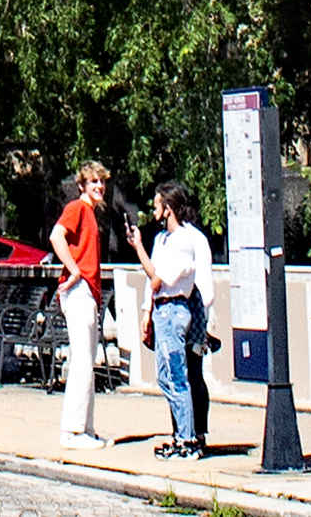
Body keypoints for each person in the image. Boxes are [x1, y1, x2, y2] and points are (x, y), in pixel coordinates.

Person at [127, 180, 214, 459]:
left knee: (181, 377)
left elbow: (158, 279)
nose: (153, 210)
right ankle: (181, 435)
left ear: (169, 208)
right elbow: (153, 283)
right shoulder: (162, 239)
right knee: (167, 377)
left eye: (157, 205)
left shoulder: (187, 240)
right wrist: (147, 312)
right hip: (162, 311)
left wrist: (138, 248)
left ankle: (190, 439)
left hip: (177, 310)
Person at [49, 160, 110, 448]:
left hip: (87, 292)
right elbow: (56, 236)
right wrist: (74, 270)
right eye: (94, 181)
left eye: (102, 181)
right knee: (82, 362)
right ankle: (73, 432)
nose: (99, 186)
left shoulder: (90, 213)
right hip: (79, 290)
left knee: (86, 360)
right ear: (82, 185)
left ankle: (86, 429)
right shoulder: (77, 208)